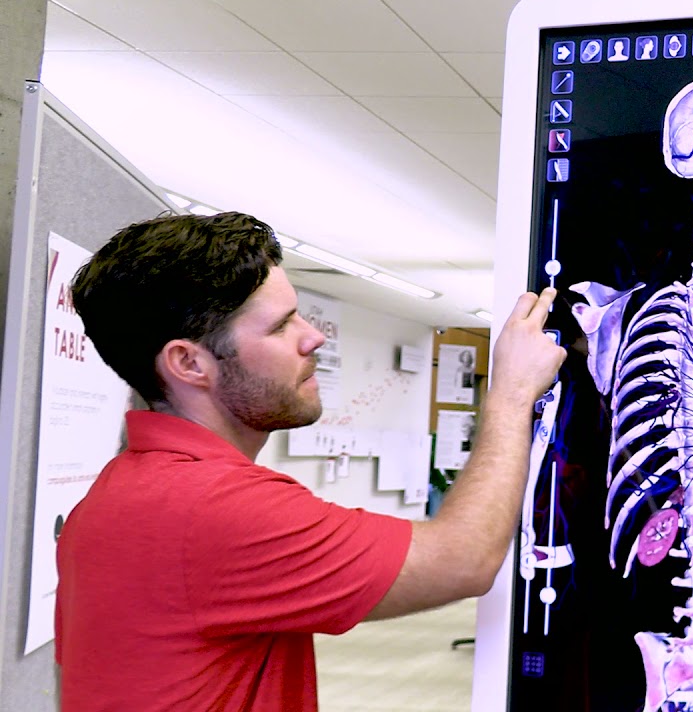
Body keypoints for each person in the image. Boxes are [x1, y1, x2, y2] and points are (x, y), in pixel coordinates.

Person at [54, 212, 565, 711]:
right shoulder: (214, 506)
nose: (314, 336)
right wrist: (511, 394)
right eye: (280, 326)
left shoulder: (114, 495)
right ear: (189, 363)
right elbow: (462, 561)